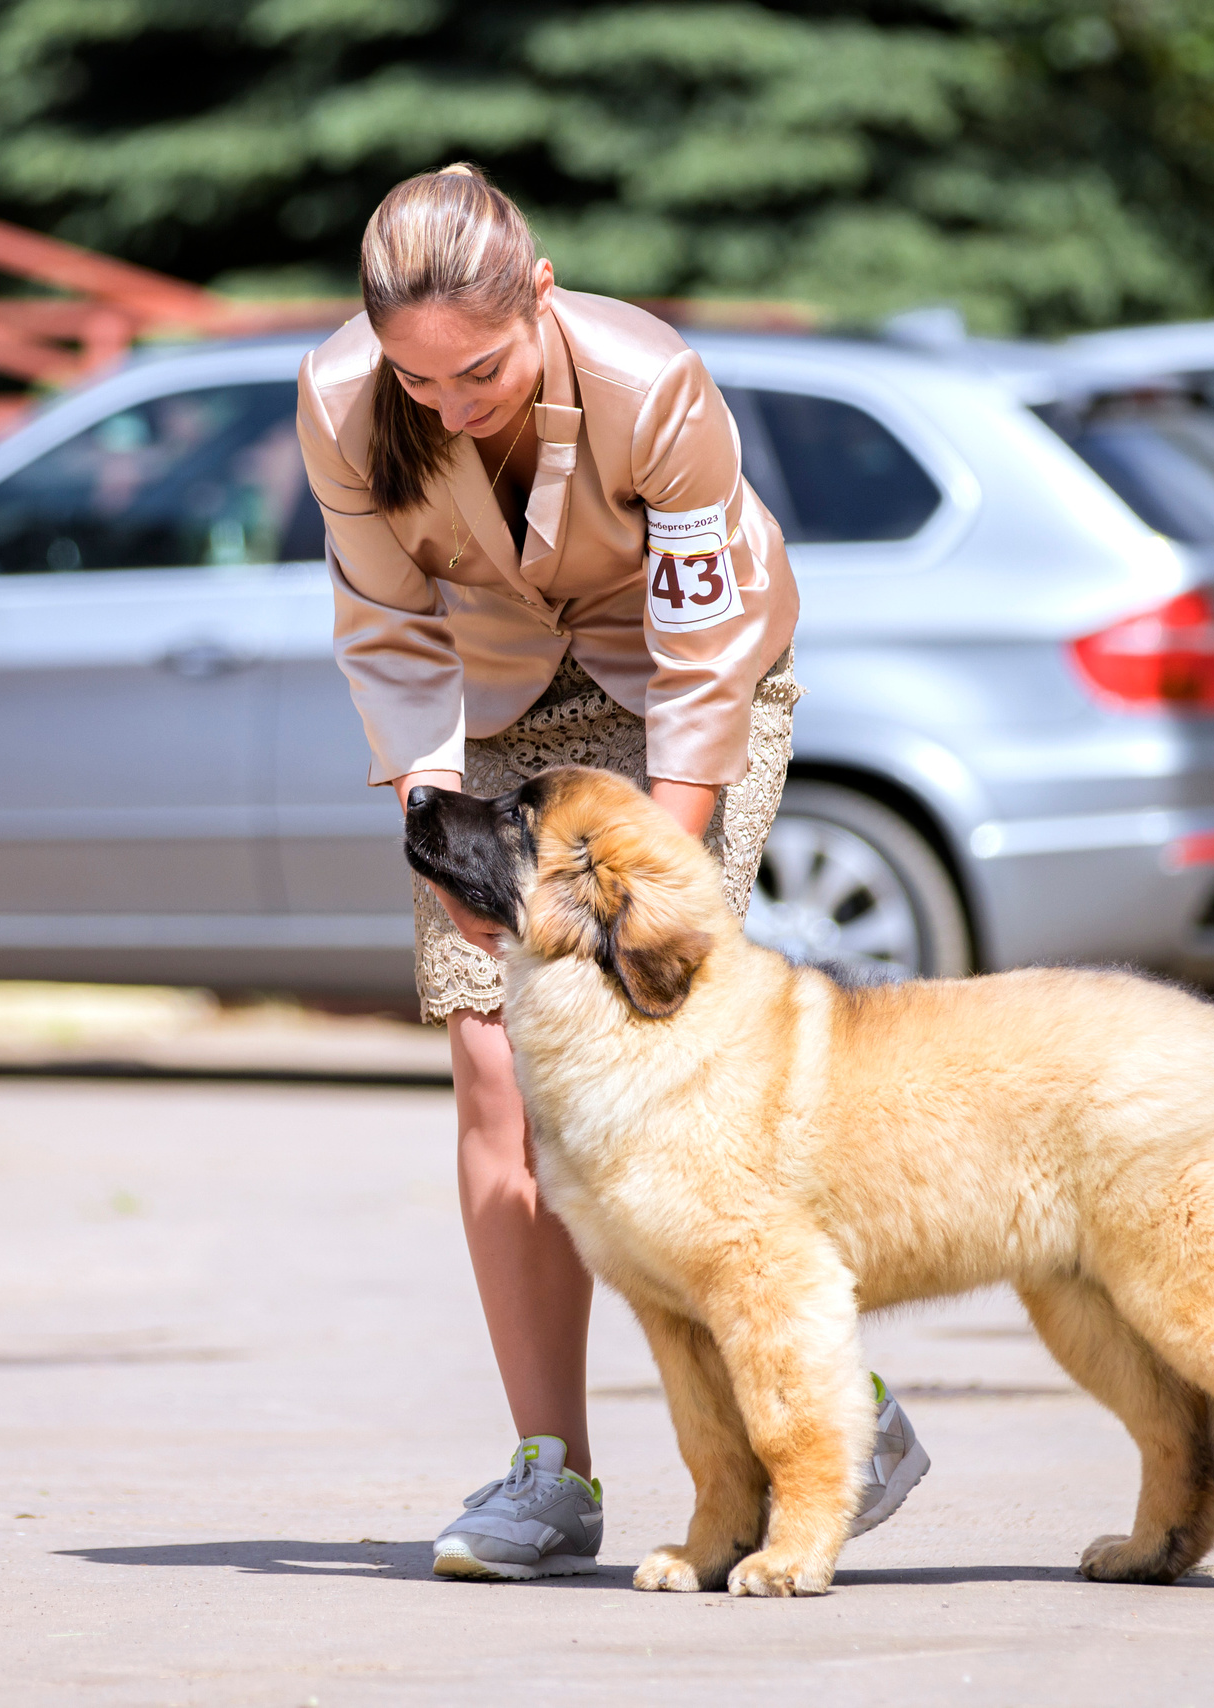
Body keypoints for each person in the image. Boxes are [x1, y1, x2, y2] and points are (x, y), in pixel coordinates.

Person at [296, 164, 930, 1582]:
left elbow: (706, 658)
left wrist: (665, 870)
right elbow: (388, 632)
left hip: (679, 703)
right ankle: (548, 1477)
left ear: (541, 296)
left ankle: (842, 1416)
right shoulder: (342, 401)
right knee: (492, 1060)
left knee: (670, 1072)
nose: (450, 408)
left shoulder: (656, 384)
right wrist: (434, 818)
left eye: (480, 372)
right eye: (419, 382)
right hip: (497, 723)